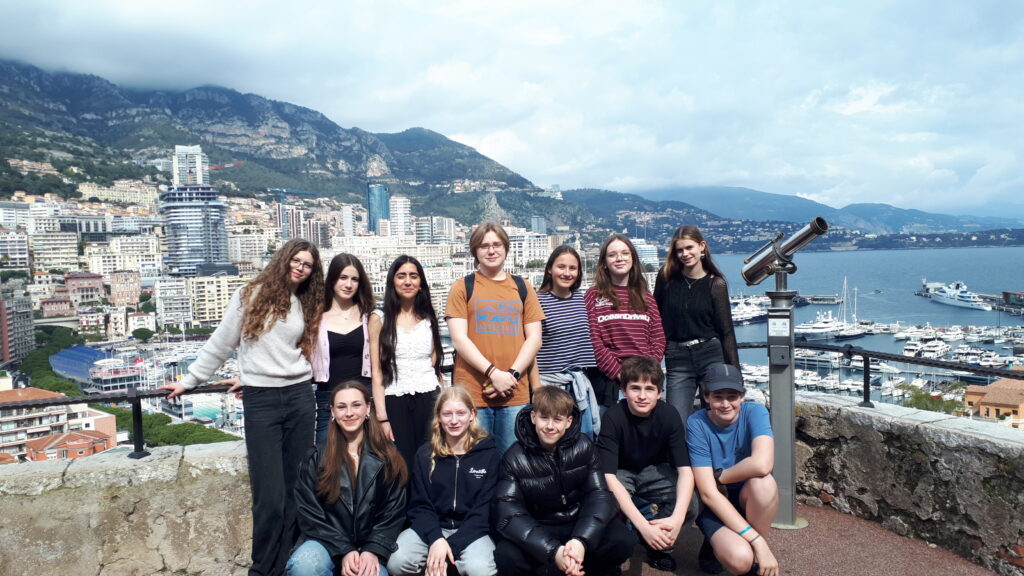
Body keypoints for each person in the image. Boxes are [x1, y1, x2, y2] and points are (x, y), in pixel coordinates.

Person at [159, 238, 324, 576]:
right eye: (296, 260)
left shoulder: (305, 302)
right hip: (262, 400)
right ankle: (262, 569)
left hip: (299, 396)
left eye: (307, 264)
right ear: (284, 259)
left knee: (297, 489)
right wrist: (189, 380)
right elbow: (222, 342)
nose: (300, 268)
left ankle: (288, 564)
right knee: (269, 497)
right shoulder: (250, 295)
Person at [493, 386, 635, 576]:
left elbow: (599, 495)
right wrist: (553, 551)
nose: (550, 426)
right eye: (544, 418)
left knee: (622, 540)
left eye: (557, 419)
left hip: (578, 521)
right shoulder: (514, 457)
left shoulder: (584, 445)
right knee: (506, 556)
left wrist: (581, 541)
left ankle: (581, 568)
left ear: (568, 422)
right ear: (534, 417)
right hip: (540, 526)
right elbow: (509, 512)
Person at [287, 380, 408, 576]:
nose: (349, 413)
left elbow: (393, 512)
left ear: (367, 408)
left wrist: (373, 549)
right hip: (325, 542)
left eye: (356, 405)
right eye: (342, 407)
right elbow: (309, 513)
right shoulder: (316, 457)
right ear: (333, 412)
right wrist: (343, 549)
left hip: (370, 546)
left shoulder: (389, 456)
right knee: (304, 565)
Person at [446, 222, 545, 453]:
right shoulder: (462, 287)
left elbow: (534, 339)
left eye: (496, 245)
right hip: (472, 394)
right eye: (484, 246)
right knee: (475, 461)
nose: (491, 251)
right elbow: (459, 339)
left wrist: (511, 376)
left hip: (515, 393)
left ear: (506, 248)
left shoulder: (523, 287)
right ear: (475, 251)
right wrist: (494, 374)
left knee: (513, 461)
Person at [597, 356, 698, 573]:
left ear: (659, 393)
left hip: (655, 470)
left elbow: (685, 471)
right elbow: (608, 476)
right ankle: (615, 551)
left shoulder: (669, 415)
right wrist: (643, 526)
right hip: (620, 471)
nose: (642, 396)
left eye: (650, 389)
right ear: (623, 390)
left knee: (690, 504)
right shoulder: (613, 417)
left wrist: (678, 518)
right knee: (604, 503)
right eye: (635, 388)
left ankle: (657, 546)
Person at [388, 386, 500, 576]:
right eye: (447, 414)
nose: (454, 420)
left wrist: (449, 547)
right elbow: (420, 505)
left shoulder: (489, 455)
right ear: (438, 417)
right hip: (431, 528)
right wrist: (436, 539)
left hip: (472, 531)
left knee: (480, 569)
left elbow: (483, 512)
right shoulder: (425, 454)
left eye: (460, 413)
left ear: (472, 414)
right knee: (397, 562)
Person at [687, 363, 779, 576]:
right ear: (707, 397)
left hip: (744, 495)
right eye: (718, 397)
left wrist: (721, 477)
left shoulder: (755, 412)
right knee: (740, 559)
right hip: (714, 503)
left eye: (732, 396)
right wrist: (758, 542)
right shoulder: (696, 423)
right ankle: (748, 548)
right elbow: (708, 493)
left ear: (742, 396)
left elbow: (762, 464)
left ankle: (756, 561)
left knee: (764, 484)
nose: (726, 404)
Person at [654, 225, 739, 425]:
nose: (685, 254)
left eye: (689, 247)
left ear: (702, 246)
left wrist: (735, 375)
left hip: (711, 354)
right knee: (676, 421)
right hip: (677, 357)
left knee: (716, 418)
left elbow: (726, 332)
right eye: (679, 250)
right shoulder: (666, 278)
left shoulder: (716, 284)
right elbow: (655, 319)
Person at [370, 255, 445, 467]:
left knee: (430, 461)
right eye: (401, 276)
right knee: (401, 464)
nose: (408, 281)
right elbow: (377, 371)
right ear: (392, 281)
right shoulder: (379, 318)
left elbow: (433, 361)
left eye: (413, 276)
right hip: (395, 398)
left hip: (429, 396)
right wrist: (382, 417)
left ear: (421, 283)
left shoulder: (428, 317)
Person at [585, 233, 666, 409]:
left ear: (633, 258)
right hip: (607, 382)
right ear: (604, 262)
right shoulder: (593, 295)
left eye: (625, 253)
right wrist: (619, 373)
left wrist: (644, 373)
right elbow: (593, 340)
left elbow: (658, 338)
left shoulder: (646, 296)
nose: (619, 258)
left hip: (643, 381)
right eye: (612, 255)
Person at [312, 253, 378, 446]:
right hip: (328, 400)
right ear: (332, 279)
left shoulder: (369, 316)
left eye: (354, 279)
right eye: (343, 277)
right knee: (324, 454)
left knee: (369, 455)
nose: (348, 284)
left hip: (364, 397)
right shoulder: (316, 318)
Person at [535, 245, 601, 438]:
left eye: (572, 268)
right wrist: (537, 390)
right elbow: (531, 346)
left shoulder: (582, 300)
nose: (567, 273)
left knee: (583, 442)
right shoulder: (538, 301)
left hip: (578, 384)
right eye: (561, 267)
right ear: (550, 269)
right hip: (550, 386)